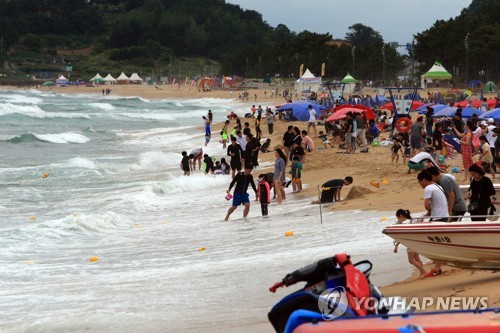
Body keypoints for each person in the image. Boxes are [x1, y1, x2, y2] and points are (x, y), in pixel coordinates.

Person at [393, 209, 428, 278]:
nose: (397, 219)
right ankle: (422, 272)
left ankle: (424, 271)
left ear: (400, 216)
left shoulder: (403, 223)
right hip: (417, 241)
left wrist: (396, 245)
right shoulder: (411, 220)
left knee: (411, 260)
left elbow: (402, 236)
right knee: (417, 258)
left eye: (397, 217)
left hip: (411, 243)